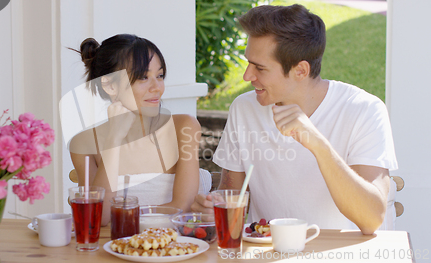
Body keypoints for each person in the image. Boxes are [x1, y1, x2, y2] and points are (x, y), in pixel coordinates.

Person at [191, 4, 397, 234]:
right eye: (248, 62)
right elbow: (231, 192)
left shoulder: (364, 110)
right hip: (266, 252)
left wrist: (317, 144)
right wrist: (213, 206)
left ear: (300, 70)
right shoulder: (244, 108)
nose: (247, 76)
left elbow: (372, 218)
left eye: (260, 68)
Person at [66, 34, 204, 226]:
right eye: (143, 77)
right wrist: (113, 141)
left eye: (160, 75)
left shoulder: (184, 127)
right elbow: (97, 219)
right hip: (114, 248)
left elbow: (183, 207)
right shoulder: (83, 142)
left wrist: (124, 216)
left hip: (175, 247)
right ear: (109, 85)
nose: (157, 87)